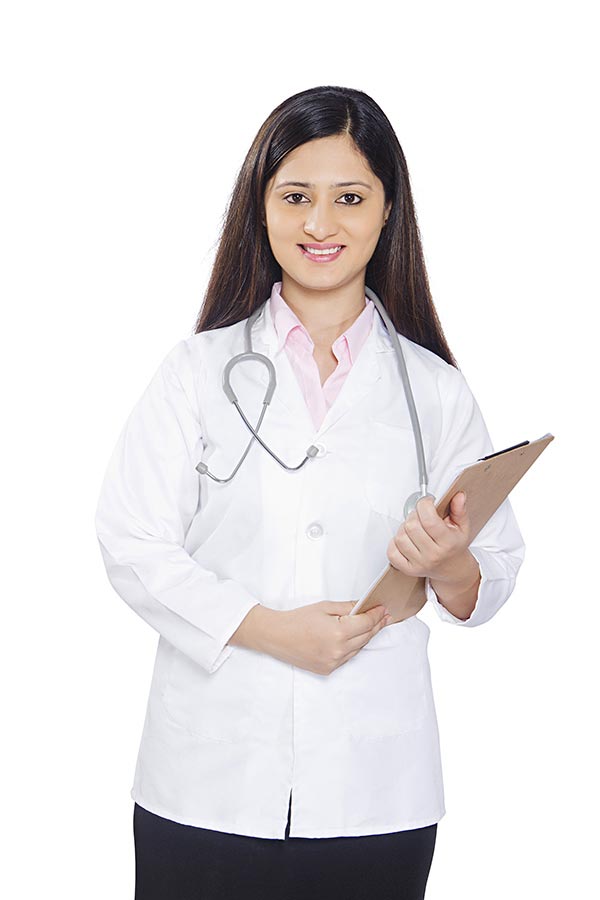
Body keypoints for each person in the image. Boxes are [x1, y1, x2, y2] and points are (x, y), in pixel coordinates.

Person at [94, 85, 526, 900]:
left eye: (350, 198)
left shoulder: (434, 391)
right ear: (260, 208)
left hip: (376, 787)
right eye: (296, 197)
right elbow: (131, 539)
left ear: (388, 211)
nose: (320, 224)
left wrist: (453, 564)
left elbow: (491, 576)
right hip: (207, 777)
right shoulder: (196, 373)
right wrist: (264, 630)